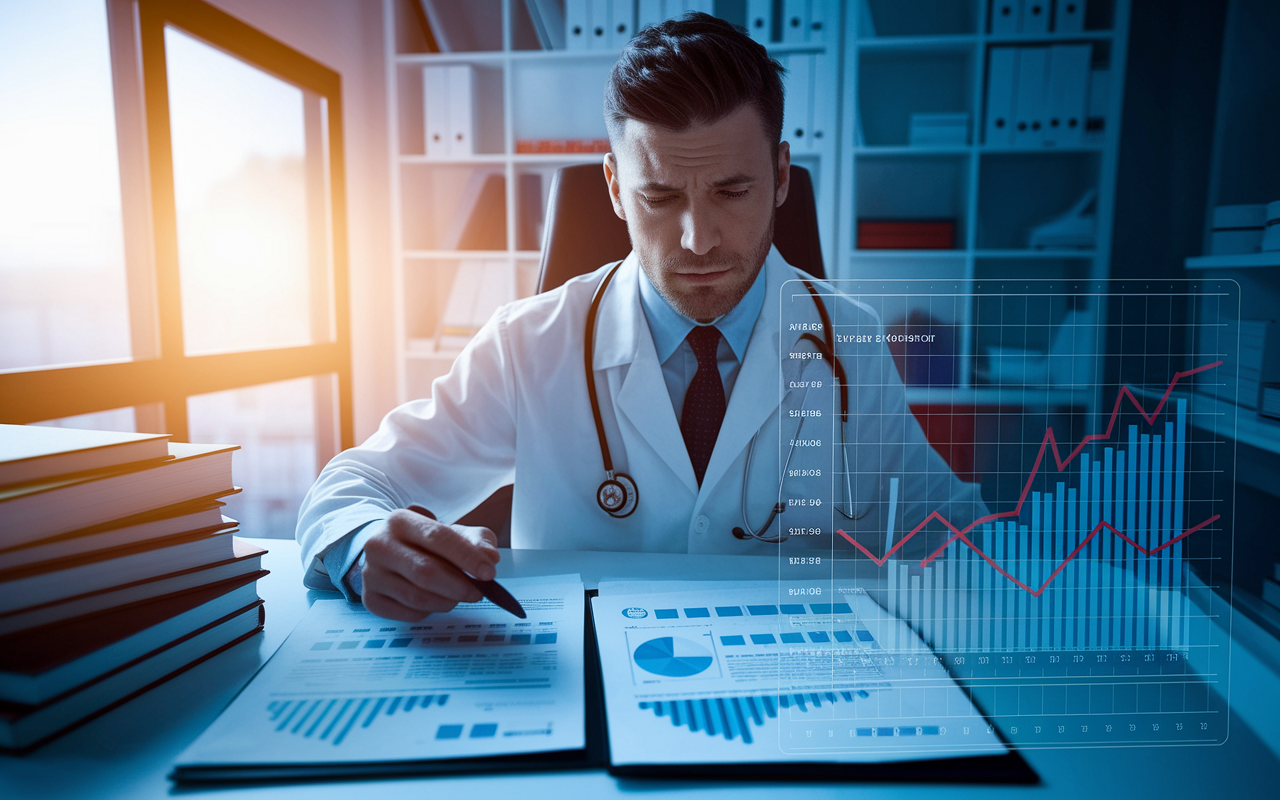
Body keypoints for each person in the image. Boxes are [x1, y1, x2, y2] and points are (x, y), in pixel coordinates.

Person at [296, 13, 988, 622]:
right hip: (582, 695)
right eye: (659, 197)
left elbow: (949, 533)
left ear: (781, 177)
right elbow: (355, 484)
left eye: (732, 190)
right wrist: (360, 546)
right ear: (614, 188)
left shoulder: (849, 343)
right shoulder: (527, 344)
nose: (698, 239)